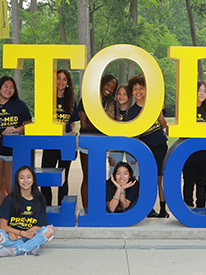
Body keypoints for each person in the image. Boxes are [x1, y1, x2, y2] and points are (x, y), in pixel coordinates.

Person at [126, 73, 169, 218]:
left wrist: (160, 115)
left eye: (141, 88)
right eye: (135, 89)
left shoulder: (153, 104)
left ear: (146, 89)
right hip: (146, 149)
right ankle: (148, 208)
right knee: (149, 179)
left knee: (161, 179)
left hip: (161, 146)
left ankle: (163, 209)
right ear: (132, 92)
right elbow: (134, 137)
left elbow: (163, 126)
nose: (138, 91)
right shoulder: (132, 112)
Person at [0, 166, 55, 257]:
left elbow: (39, 225)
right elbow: (3, 226)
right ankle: (30, 248)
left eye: (28, 177)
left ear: (33, 180)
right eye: (21, 177)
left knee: (50, 230)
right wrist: (20, 233)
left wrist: (22, 236)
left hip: (31, 235)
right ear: (17, 181)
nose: (25, 181)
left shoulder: (39, 199)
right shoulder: (9, 199)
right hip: (12, 236)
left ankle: (15, 250)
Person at [77, 74, 117, 208]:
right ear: (102, 83)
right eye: (108, 85)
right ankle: (87, 209)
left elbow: (114, 124)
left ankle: (97, 209)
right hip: (87, 143)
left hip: (102, 144)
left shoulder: (111, 103)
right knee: (88, 178)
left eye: (113, 88)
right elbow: (84, 124)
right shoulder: (87, 99)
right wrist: (104, 125)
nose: (110, 89)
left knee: (99, 178)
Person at [0, 76, 32, 206]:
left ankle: (15, 213)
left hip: (13, 152)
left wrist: (16, 129)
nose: (9, 90)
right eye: (6, 86)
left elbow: (28, 125)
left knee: (10, 186)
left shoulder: (19, 105)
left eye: (12, 87)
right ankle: (4, 213)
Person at [41, 70, 78, 206]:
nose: (61, 82)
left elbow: (73, 124)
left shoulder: (71, 101)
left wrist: (72, 142)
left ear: (68, 83)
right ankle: (47, 208)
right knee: (46, 178)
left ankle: (62, 209)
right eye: (58, 78)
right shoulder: (48, 99)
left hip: (65, 144)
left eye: (64, 79)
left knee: (64, 178)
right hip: (50, 143)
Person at [181, 80, 206, 208]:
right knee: (188, 183)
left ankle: (201, 209)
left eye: (205, 91)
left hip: (204, 154)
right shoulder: (186, 109)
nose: (202, 93)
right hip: (189, 153)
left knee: (202, 183)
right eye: (199, 90)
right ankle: (188, 208)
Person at [107, 84, 139, 178]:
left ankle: (133, 192)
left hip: (131, 144)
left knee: (134, 171)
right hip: (116, 145)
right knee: (113, 171)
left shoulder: (134, 111)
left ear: (129, 96)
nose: (121, 96)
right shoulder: (112, 111)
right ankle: (113, 192)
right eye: (119, 94)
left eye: (124, 94)